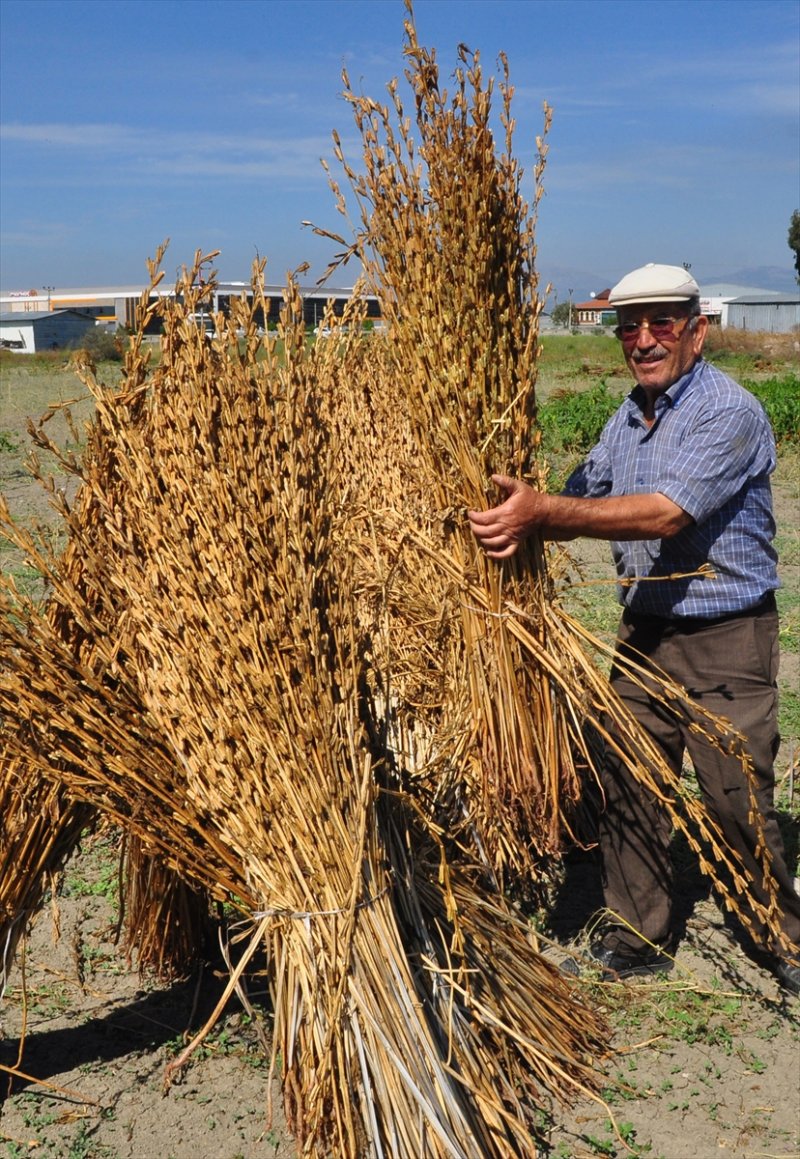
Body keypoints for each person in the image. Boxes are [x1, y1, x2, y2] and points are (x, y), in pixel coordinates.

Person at [468, 262, 800, 996]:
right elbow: (576, 496)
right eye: (631, 327)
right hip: (643, 633)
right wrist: (502, 497)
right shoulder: (627, 417)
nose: (644, 340)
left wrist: (544, 513)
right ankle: (638, 932)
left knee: (733, 796)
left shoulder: (728, 410)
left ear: (697, 330)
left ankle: (780, 936)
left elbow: (663, 513)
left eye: (662, 324)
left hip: (727, 635)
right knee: (629, 778)